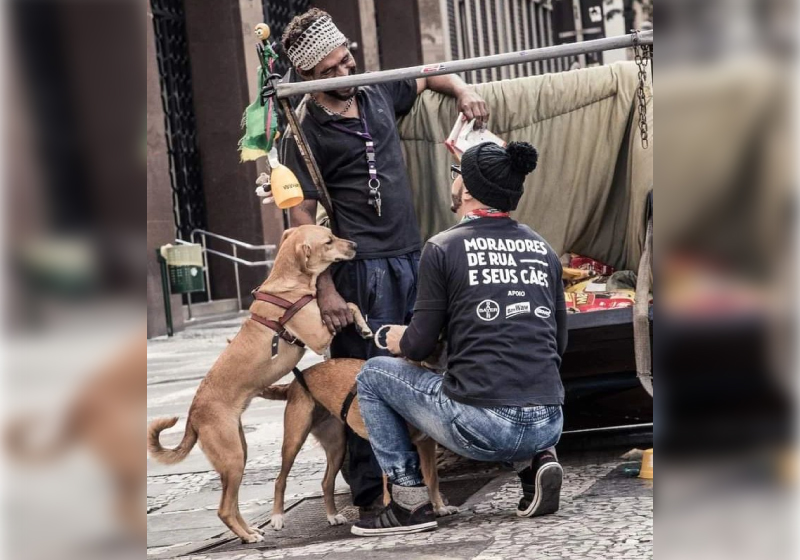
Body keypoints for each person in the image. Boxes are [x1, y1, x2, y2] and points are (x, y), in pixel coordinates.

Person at [279, 8, 490, 517]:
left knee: (422, 363)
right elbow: (300, 222)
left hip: (413, 260)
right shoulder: (303, 132)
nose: (343, 73)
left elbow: (425, 74)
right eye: (329, 70)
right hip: (360, 273)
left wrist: (461, 89)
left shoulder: (375, 89)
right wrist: (325, 290)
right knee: (363, 380)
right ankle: (374, 495)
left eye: (346, 59)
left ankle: (426, 477)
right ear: (308, 77)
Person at [352, 141, 567, 536]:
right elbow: (558, 343)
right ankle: (535, 464)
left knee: (372, 375)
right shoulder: (543, 249)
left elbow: (418, 346)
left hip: (483, 428)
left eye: (457, 175)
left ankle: (408, 502)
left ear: (466, 189)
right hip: (550, 421)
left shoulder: (443, 247)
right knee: (497, 372)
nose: (453, 182)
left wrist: (399, 339)